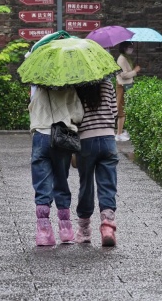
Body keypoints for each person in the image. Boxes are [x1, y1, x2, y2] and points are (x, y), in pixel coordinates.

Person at [29, 86, 84, 246]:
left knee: (42, 183)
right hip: (61, 139)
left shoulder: (39, 88)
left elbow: (32, 108)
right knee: (61, 180)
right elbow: (79, 115)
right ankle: (66, 231)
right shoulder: (70, 88)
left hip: (40, 136)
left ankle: (43, 232)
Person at [74, 79, 119, 246]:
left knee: (86, 185)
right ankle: (108, 226)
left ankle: (84, 230)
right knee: (107, 183)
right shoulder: (107, 84)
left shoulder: (77, 86)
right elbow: (114, 112)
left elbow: (75, 115)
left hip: (85, 140)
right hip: (108, 139)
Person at [115, 41, 140, 142]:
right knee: (121, 110)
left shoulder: (126, 58)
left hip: (126, 86)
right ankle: (119, 133)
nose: (131, 49)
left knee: (125, 110)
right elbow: (123, 75)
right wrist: (135, 71)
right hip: (122, 86)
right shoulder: (121, 59)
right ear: (124, 48)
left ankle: (121, 132)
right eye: (129, 47)